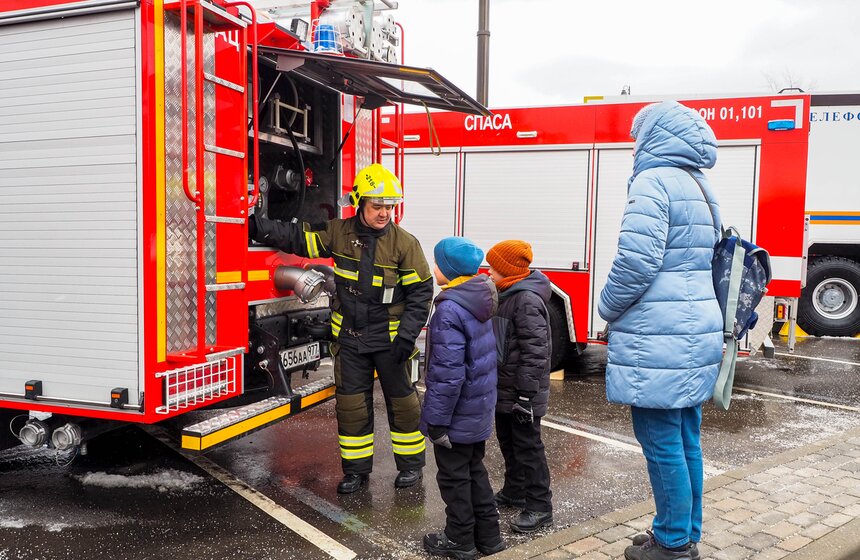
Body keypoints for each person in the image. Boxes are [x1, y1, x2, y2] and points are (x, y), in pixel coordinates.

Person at [250, 163, 433, 494]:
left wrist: (407, 338)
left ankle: (411, 467)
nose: (384, 213)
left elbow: (421, 295)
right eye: (378, 205)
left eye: (390, 206)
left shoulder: (405, 244)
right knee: (351, 408)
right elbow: (298, 238)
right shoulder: (338, 232)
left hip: (391, 343)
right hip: (350, 342)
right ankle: (356, 472)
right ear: (360, 202)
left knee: (404, 406)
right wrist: (257, 227)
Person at [598, 101, 722, 560]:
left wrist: (606, 306)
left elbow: (636, 261)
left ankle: (672, 544)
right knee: (685, 437)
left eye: (638, 135)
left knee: (660, 440)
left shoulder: (652, 182)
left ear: (654, 136)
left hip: (661, 334)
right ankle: (680, 531)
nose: (635, 145)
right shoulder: (699, 183)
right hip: (692, 329)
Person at [420, 236, 505, 560]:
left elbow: (448, 374)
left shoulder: (450, 309)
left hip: (456, 416)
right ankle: (489, 536)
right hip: (477, 409)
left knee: (455, 479)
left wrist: (438, 422)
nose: (434, 267)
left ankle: (459, 539)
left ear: (450, 270)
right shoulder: (479, 298)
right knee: (475, 472)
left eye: (438, 262)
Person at [485, 240, 553, 533]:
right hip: (505, 388)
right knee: (508, 442)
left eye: (493, 267)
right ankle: (514, 490)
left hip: (522, 392)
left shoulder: (525, 300)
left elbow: (536, 351)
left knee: (528, 447)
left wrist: (525, 395)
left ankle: (540, 506)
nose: (488, 271)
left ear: (507, 270)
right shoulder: (505, 293)